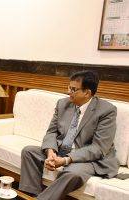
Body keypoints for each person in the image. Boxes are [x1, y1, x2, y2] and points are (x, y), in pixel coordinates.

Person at [19, 70, 119, 200]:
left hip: (89, 158)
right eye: (69, 87)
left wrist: (66, 159)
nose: (68, 92)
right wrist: (50, 152)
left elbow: (98, 148)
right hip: (62, 150)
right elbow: (51, 132)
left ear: (87, 92)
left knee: (73, 173)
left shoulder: (106, 110)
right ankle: (31, 195)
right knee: (29, 152)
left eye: (73, 89)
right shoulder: (63, 104)